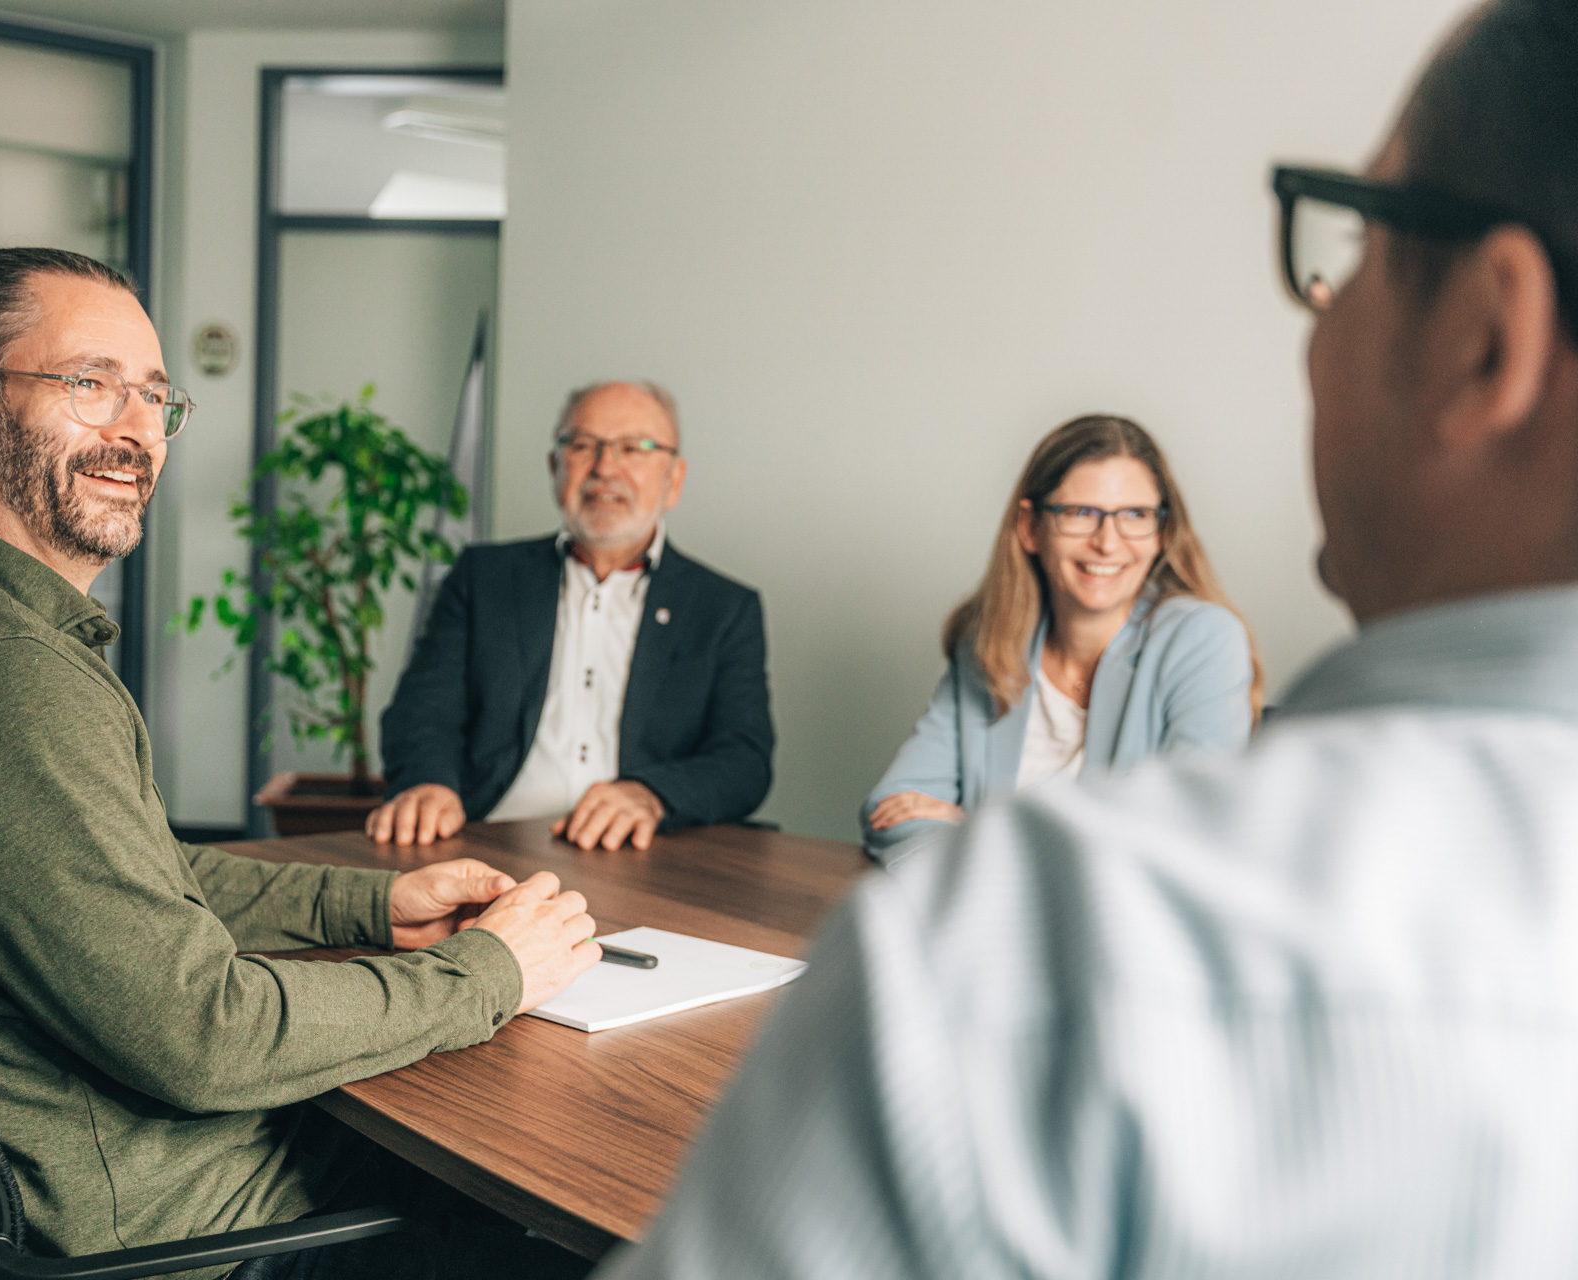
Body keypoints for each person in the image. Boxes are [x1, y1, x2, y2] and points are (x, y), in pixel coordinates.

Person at [598, 0, 1578, 1275]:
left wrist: (967, 860)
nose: (1320, 312)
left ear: (1486, 337)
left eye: (1351, 246)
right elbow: (894, 800)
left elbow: (961, 826)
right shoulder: (993, 670)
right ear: (1031, 529)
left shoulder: (1024, 958)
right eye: (1083, 513)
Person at [0, 247, 600, 1279]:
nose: (135, 431)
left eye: (155, 398)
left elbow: (141, 876)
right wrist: (490, 971)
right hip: (198, 1236)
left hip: (133, 1186)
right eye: (89, 383)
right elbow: (203, 1032)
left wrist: (372, 909)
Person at [370, 381, 774, 852]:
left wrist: (652, 795)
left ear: (674, 479)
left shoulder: (722, 608)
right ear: (554, 466)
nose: (605, 467)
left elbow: (744, 761)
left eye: (634, 448)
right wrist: (428, 783)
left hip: (642, 855)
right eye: (582, 445)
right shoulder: (484, 578)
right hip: (487, 841)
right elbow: (422, 711)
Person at [862, 415, 1260, 864]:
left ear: (1162, 534)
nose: (1108, 543)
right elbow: (892, 812)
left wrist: (977, 831)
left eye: (1135, 515)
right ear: (1031, 528)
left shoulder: (1202, 639)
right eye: (1080, 513)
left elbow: (1185, 841)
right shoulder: (989, 642)